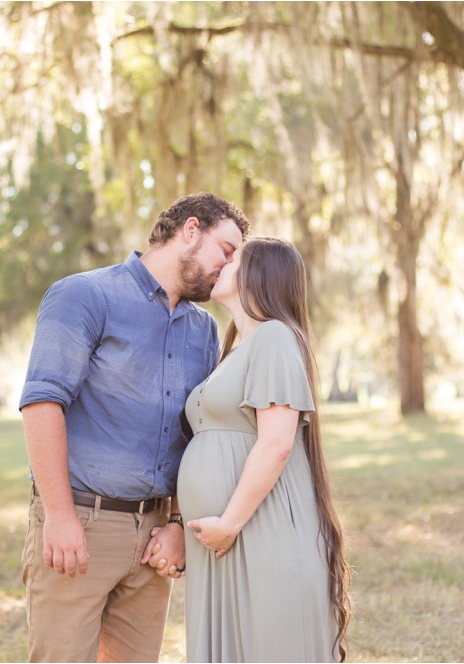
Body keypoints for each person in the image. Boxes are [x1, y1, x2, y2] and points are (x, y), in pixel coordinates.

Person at [19, 192, 250, 662]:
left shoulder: (202, 330)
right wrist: (61, 518)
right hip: (81, 522)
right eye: (226, 251)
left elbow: (197, 434)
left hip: (154, 538)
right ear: (190, 230)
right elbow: (43, 404)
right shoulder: (84, 295)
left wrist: (178, 523)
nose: (228, 268)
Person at [178, 236, 352, 662]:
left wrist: (229, 524)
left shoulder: (274, 337)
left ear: (259, 274)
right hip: (228, 540)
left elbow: (276, 444)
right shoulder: (234, 350)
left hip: (258, 531)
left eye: (233, 257)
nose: (221, 263)